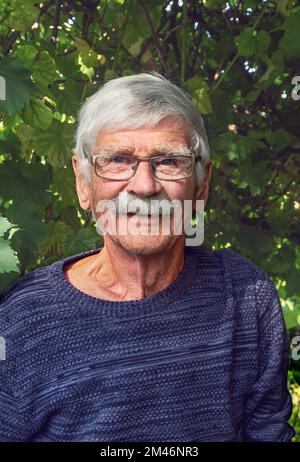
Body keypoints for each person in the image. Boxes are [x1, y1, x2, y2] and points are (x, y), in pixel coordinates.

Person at [0, 72, 295, 442]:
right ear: (83, 183)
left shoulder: (246, 299)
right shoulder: (25, 321)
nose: (144, 185)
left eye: (170, 161)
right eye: (118, 160)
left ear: (202, 185)